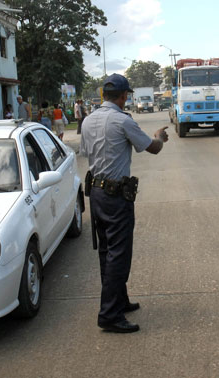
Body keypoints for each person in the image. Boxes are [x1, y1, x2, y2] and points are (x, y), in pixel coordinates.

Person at [81, 74, 168, 333]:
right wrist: (160, 137)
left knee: (107, 251)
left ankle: (119, 300)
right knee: (119, 254)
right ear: (123, 96)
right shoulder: (122, 120)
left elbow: (87, 152)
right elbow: (152, 148)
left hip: (96, 193)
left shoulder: (87, 121)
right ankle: (109, 314)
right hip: (116, 196)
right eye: (126, 95)